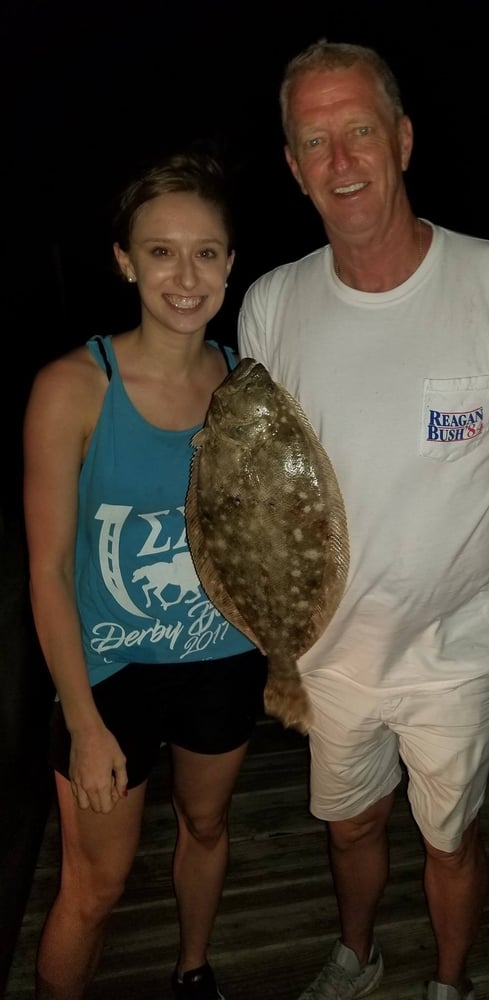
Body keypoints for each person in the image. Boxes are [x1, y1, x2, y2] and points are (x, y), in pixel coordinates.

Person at [238, 39, 489, 1000]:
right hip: (328, 655)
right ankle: (357, 958)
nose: (341, 160)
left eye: (359, 130)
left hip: (460, 646)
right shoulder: (271, 307)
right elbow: (253, 495)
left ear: (402, 140)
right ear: (292, 167)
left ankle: (449, 984)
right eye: (313, 141)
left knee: (450, 836)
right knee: (351, 825)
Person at [23, 151, 266, 1000]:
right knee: (95, 887)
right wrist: (84, 723)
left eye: (207, 252)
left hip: (222, 660)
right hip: (109, 674)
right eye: (161, 251)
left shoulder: (247, 385)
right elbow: (49, 570)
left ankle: (193, 971)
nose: (185, 274)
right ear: (125, 260)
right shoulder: (70, 387)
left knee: (207, 826)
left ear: (231, 265)